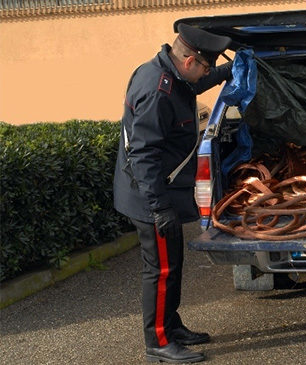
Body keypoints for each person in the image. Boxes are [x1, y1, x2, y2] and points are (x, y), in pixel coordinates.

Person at [113, 23, 233, 363]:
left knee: (173, 263)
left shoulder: (168, 73)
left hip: (156, 192)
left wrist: (225, 71)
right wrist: (159, 208)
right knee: (161, 270)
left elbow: (192, 87)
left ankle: (171, 324)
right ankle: (159, 341)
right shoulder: (156, 90)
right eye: (206, 67)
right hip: (150, 196)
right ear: (190, 59)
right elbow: (143, 154)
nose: (205, 73)